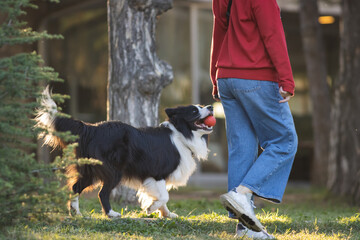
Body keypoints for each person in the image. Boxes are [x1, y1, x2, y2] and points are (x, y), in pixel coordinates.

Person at [210, 0, 298, 239]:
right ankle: (242, 193)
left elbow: (219, 30)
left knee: (243, 149)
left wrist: (215, 76)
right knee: (284, 142)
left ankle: (245, 228)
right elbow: (273, 35)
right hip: (256, 77)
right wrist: (287, 80)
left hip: (227, 77)